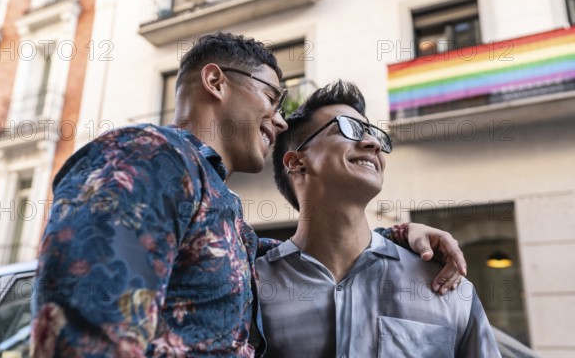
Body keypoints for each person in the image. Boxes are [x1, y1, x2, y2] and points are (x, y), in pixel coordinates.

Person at [31, 33, 467, 357]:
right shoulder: (147, 155)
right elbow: (84, 328)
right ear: (216, 82)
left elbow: (297, 255)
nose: (278, 123)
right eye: (273, 98)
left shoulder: (227, 214)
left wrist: (399, 235)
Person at [258, 80, 501, 357]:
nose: (373, 143)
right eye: (348, 128)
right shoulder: (250, 285)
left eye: (374, 134)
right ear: (297, 163)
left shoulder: (445, 283)